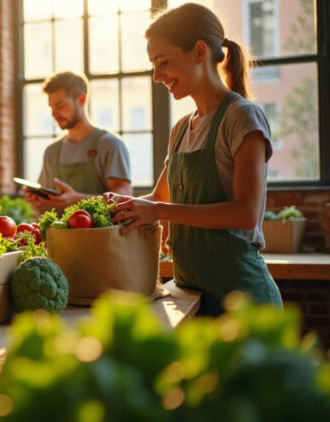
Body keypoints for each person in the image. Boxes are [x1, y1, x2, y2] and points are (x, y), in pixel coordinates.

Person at [108, 3, 282, 315]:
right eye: (153, 65)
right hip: (193, 296)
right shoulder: (180, 129)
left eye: (164, 63)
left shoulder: (242, 117)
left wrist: (158, 210)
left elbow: (245, 213)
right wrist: (122, 207)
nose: (157, 76)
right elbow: (159, 198)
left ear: (199, 52)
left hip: (244, 301)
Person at [24, 71, 132, 213]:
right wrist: (36, 201)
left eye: (60, 106)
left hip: (101, 235)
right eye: (51, 107)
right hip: (58, 235)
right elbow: (44, 205)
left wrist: (76, 200)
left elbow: (124, 198)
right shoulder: (51, 151)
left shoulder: (110, 144)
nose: (54, 114)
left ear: (81, 99)